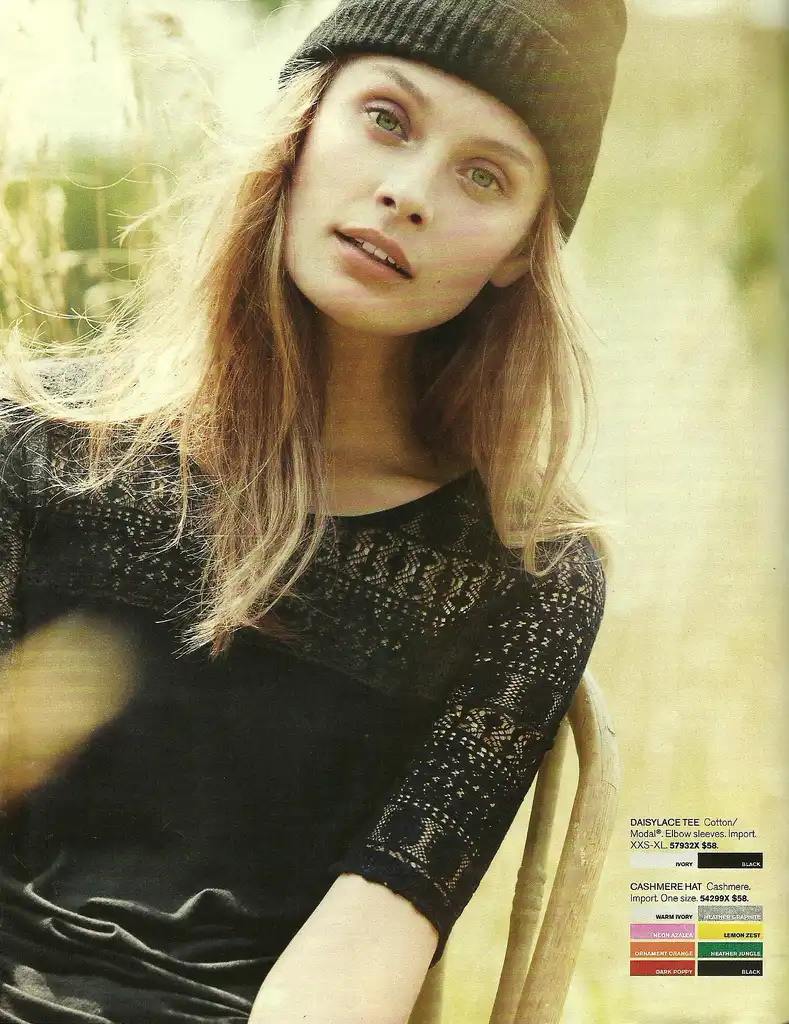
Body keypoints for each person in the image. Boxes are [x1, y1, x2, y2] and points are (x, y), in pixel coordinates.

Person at [0, 0, 626, 1020]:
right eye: (385, 118)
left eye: (484, 175)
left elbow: (365, 947)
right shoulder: (36, 441)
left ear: (521, 250)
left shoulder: (523, 574)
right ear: (301, 122)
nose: (407, 194)